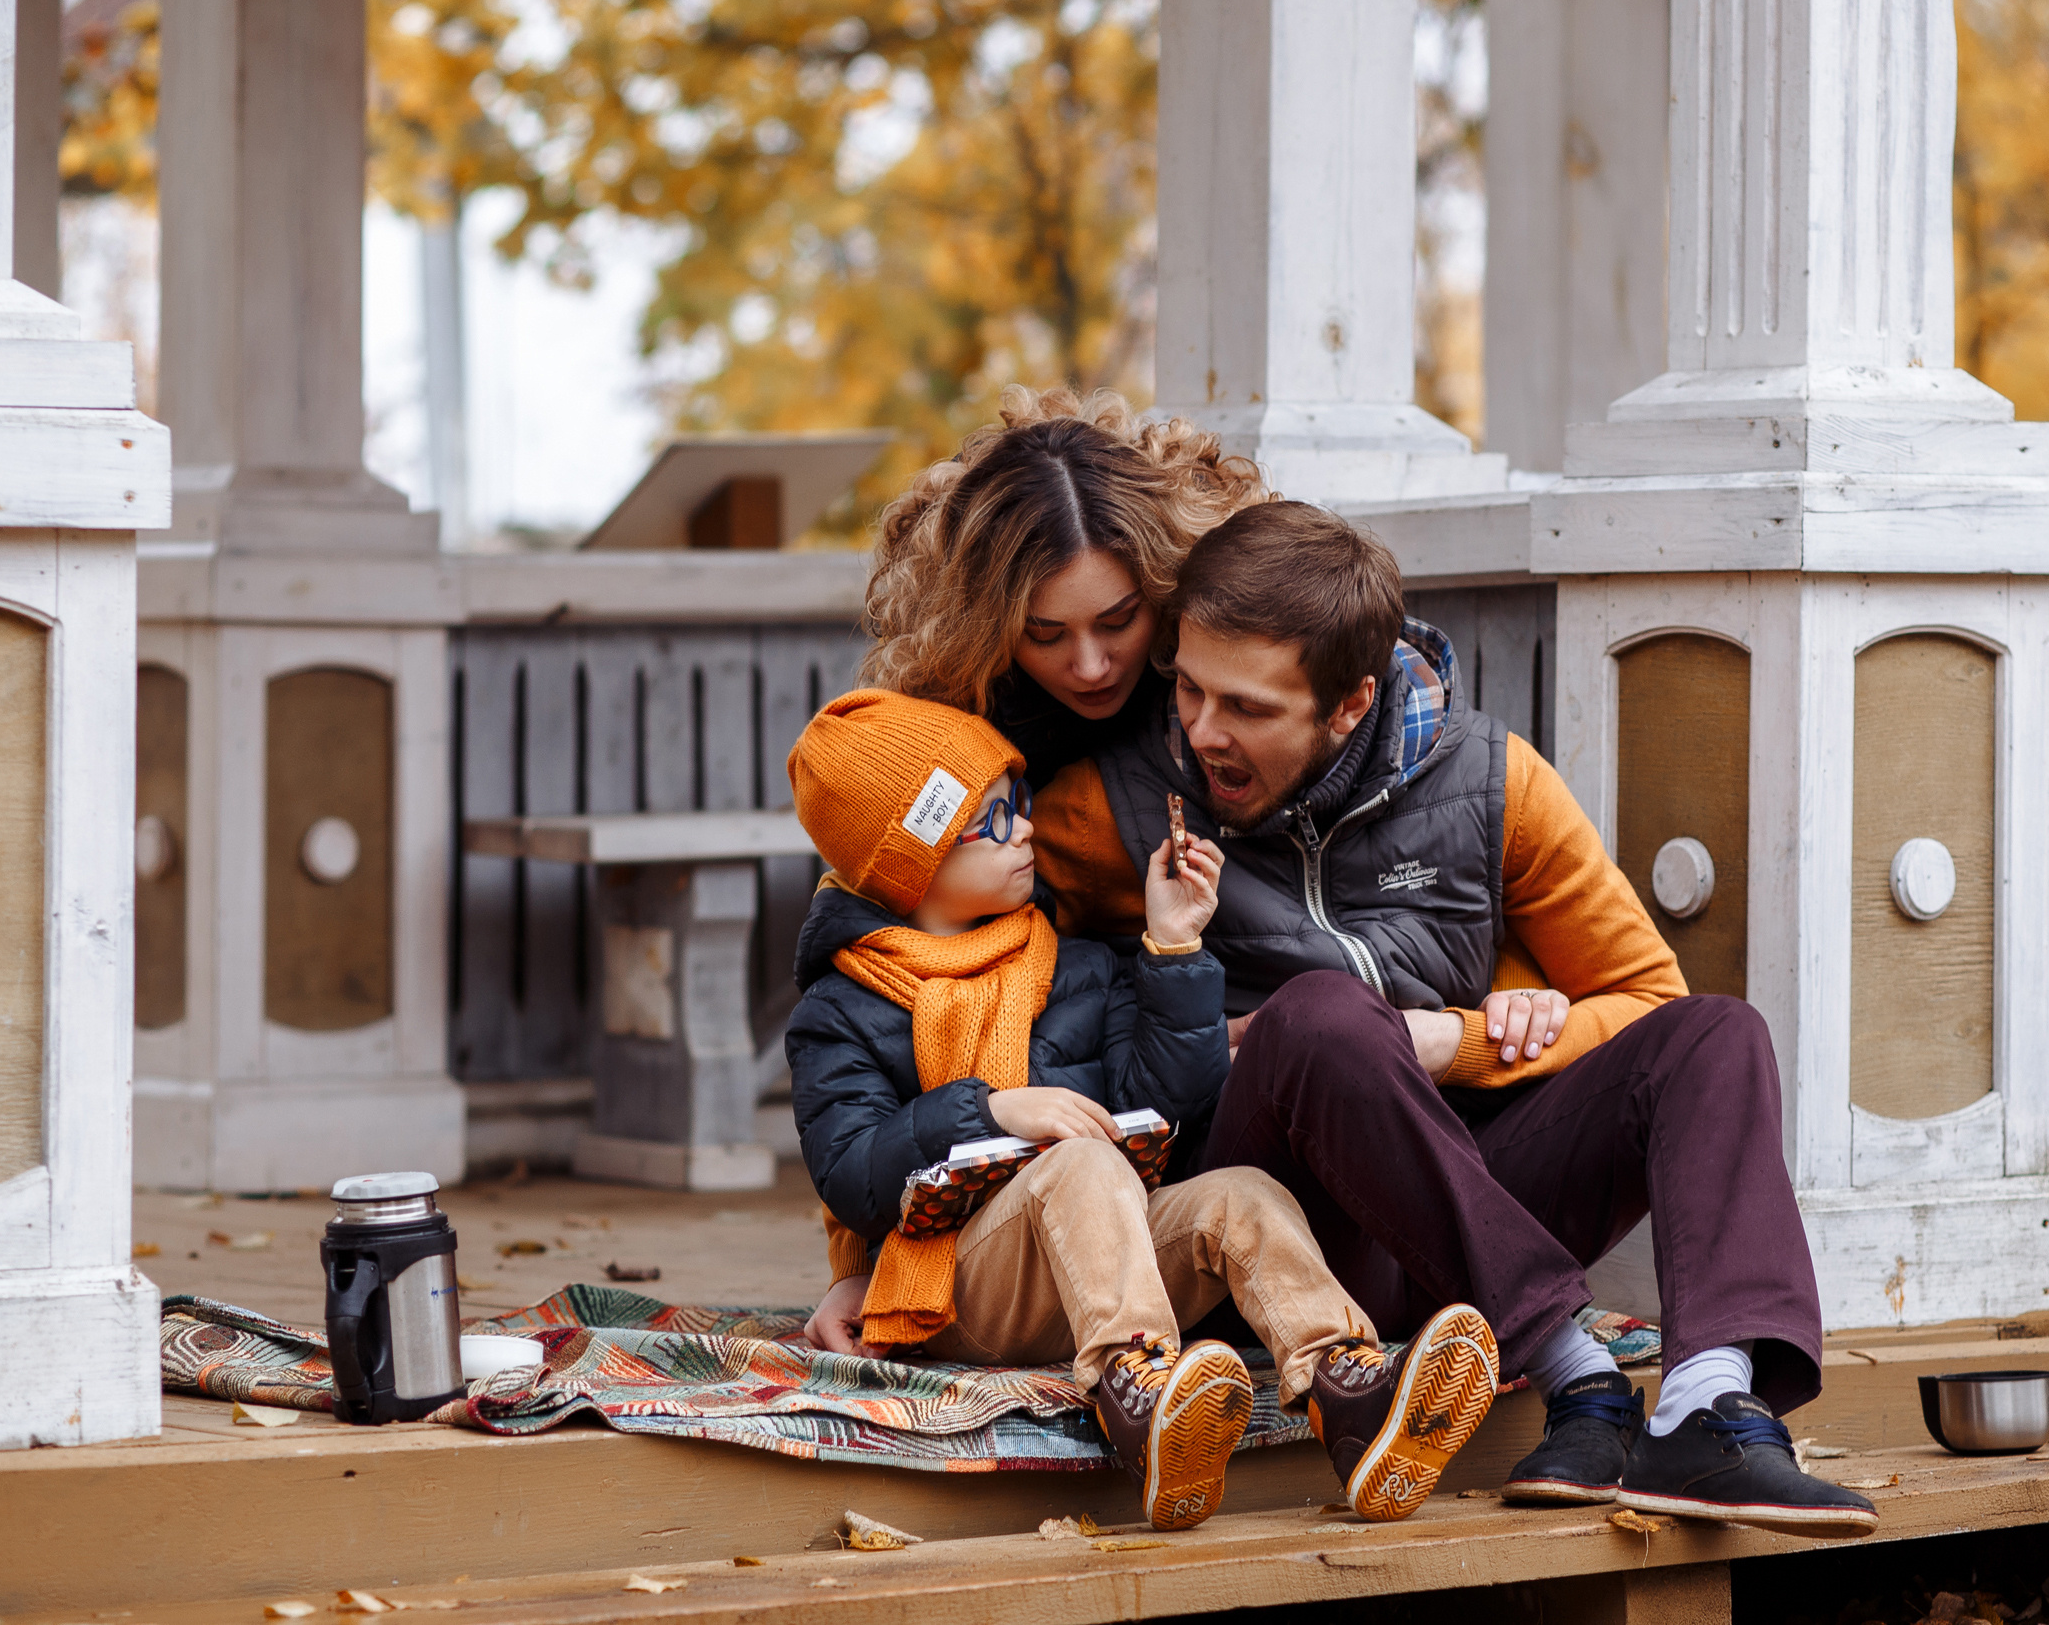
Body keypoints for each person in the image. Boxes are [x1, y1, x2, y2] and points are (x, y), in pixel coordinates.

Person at [1027, 500, 1882, 1537]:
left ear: (1347, 706)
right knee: (1320, 1018)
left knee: (1716, 1032)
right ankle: (1576, 1371)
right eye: (1190, 687)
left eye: (1246, 707)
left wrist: (1463, 1038)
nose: (1202, 729)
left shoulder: (1490, 781)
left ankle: (1706, 1403)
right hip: (1279, 1235)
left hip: (1456, 1215)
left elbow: (1645, 996)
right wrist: (869, 1258)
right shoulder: (1105, 808)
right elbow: (924, 967)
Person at [781, 689, 1500, 1529]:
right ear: (912, 861)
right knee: (1078, 1160)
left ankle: (1349, 1391)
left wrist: (1173, 944)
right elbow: (851, 1175)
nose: (1023, 827)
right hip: (959, 1287)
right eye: (988, 820)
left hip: (1097, 1255)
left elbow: (1169, 1098)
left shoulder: (1073, 963)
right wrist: (990, 1110)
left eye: (1016, 803)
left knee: (1238, 1195)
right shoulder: (840, 1010)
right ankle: (1143, 1399)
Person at [860, 385, 1265, 791]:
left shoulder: (1226, 654)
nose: (1091, 669)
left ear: (1167, 587)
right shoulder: (954, 707)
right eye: (1045, 635)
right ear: (979, 629)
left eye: (1119, 621)